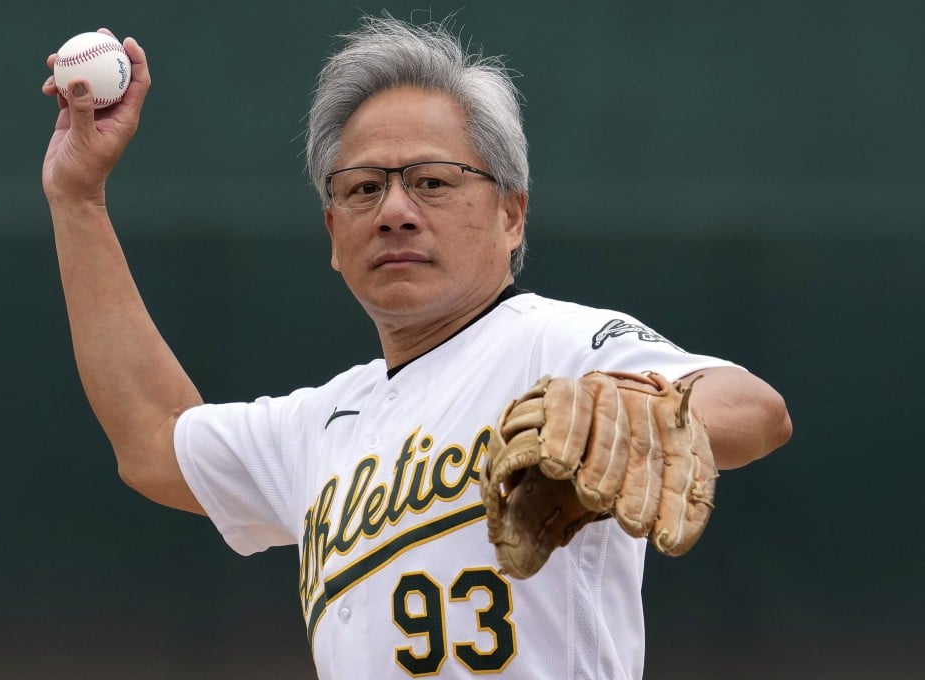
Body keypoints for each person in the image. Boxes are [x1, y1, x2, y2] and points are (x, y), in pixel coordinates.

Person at [41, 14, 792, 680]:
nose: (395, 210)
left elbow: (755, 411)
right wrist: (77, 198)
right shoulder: (324, 424)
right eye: (363, 188)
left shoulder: (552, 346)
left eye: (433, 181)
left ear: (511, 214)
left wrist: (639, 412)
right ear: (333, 236)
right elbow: (152, 443)